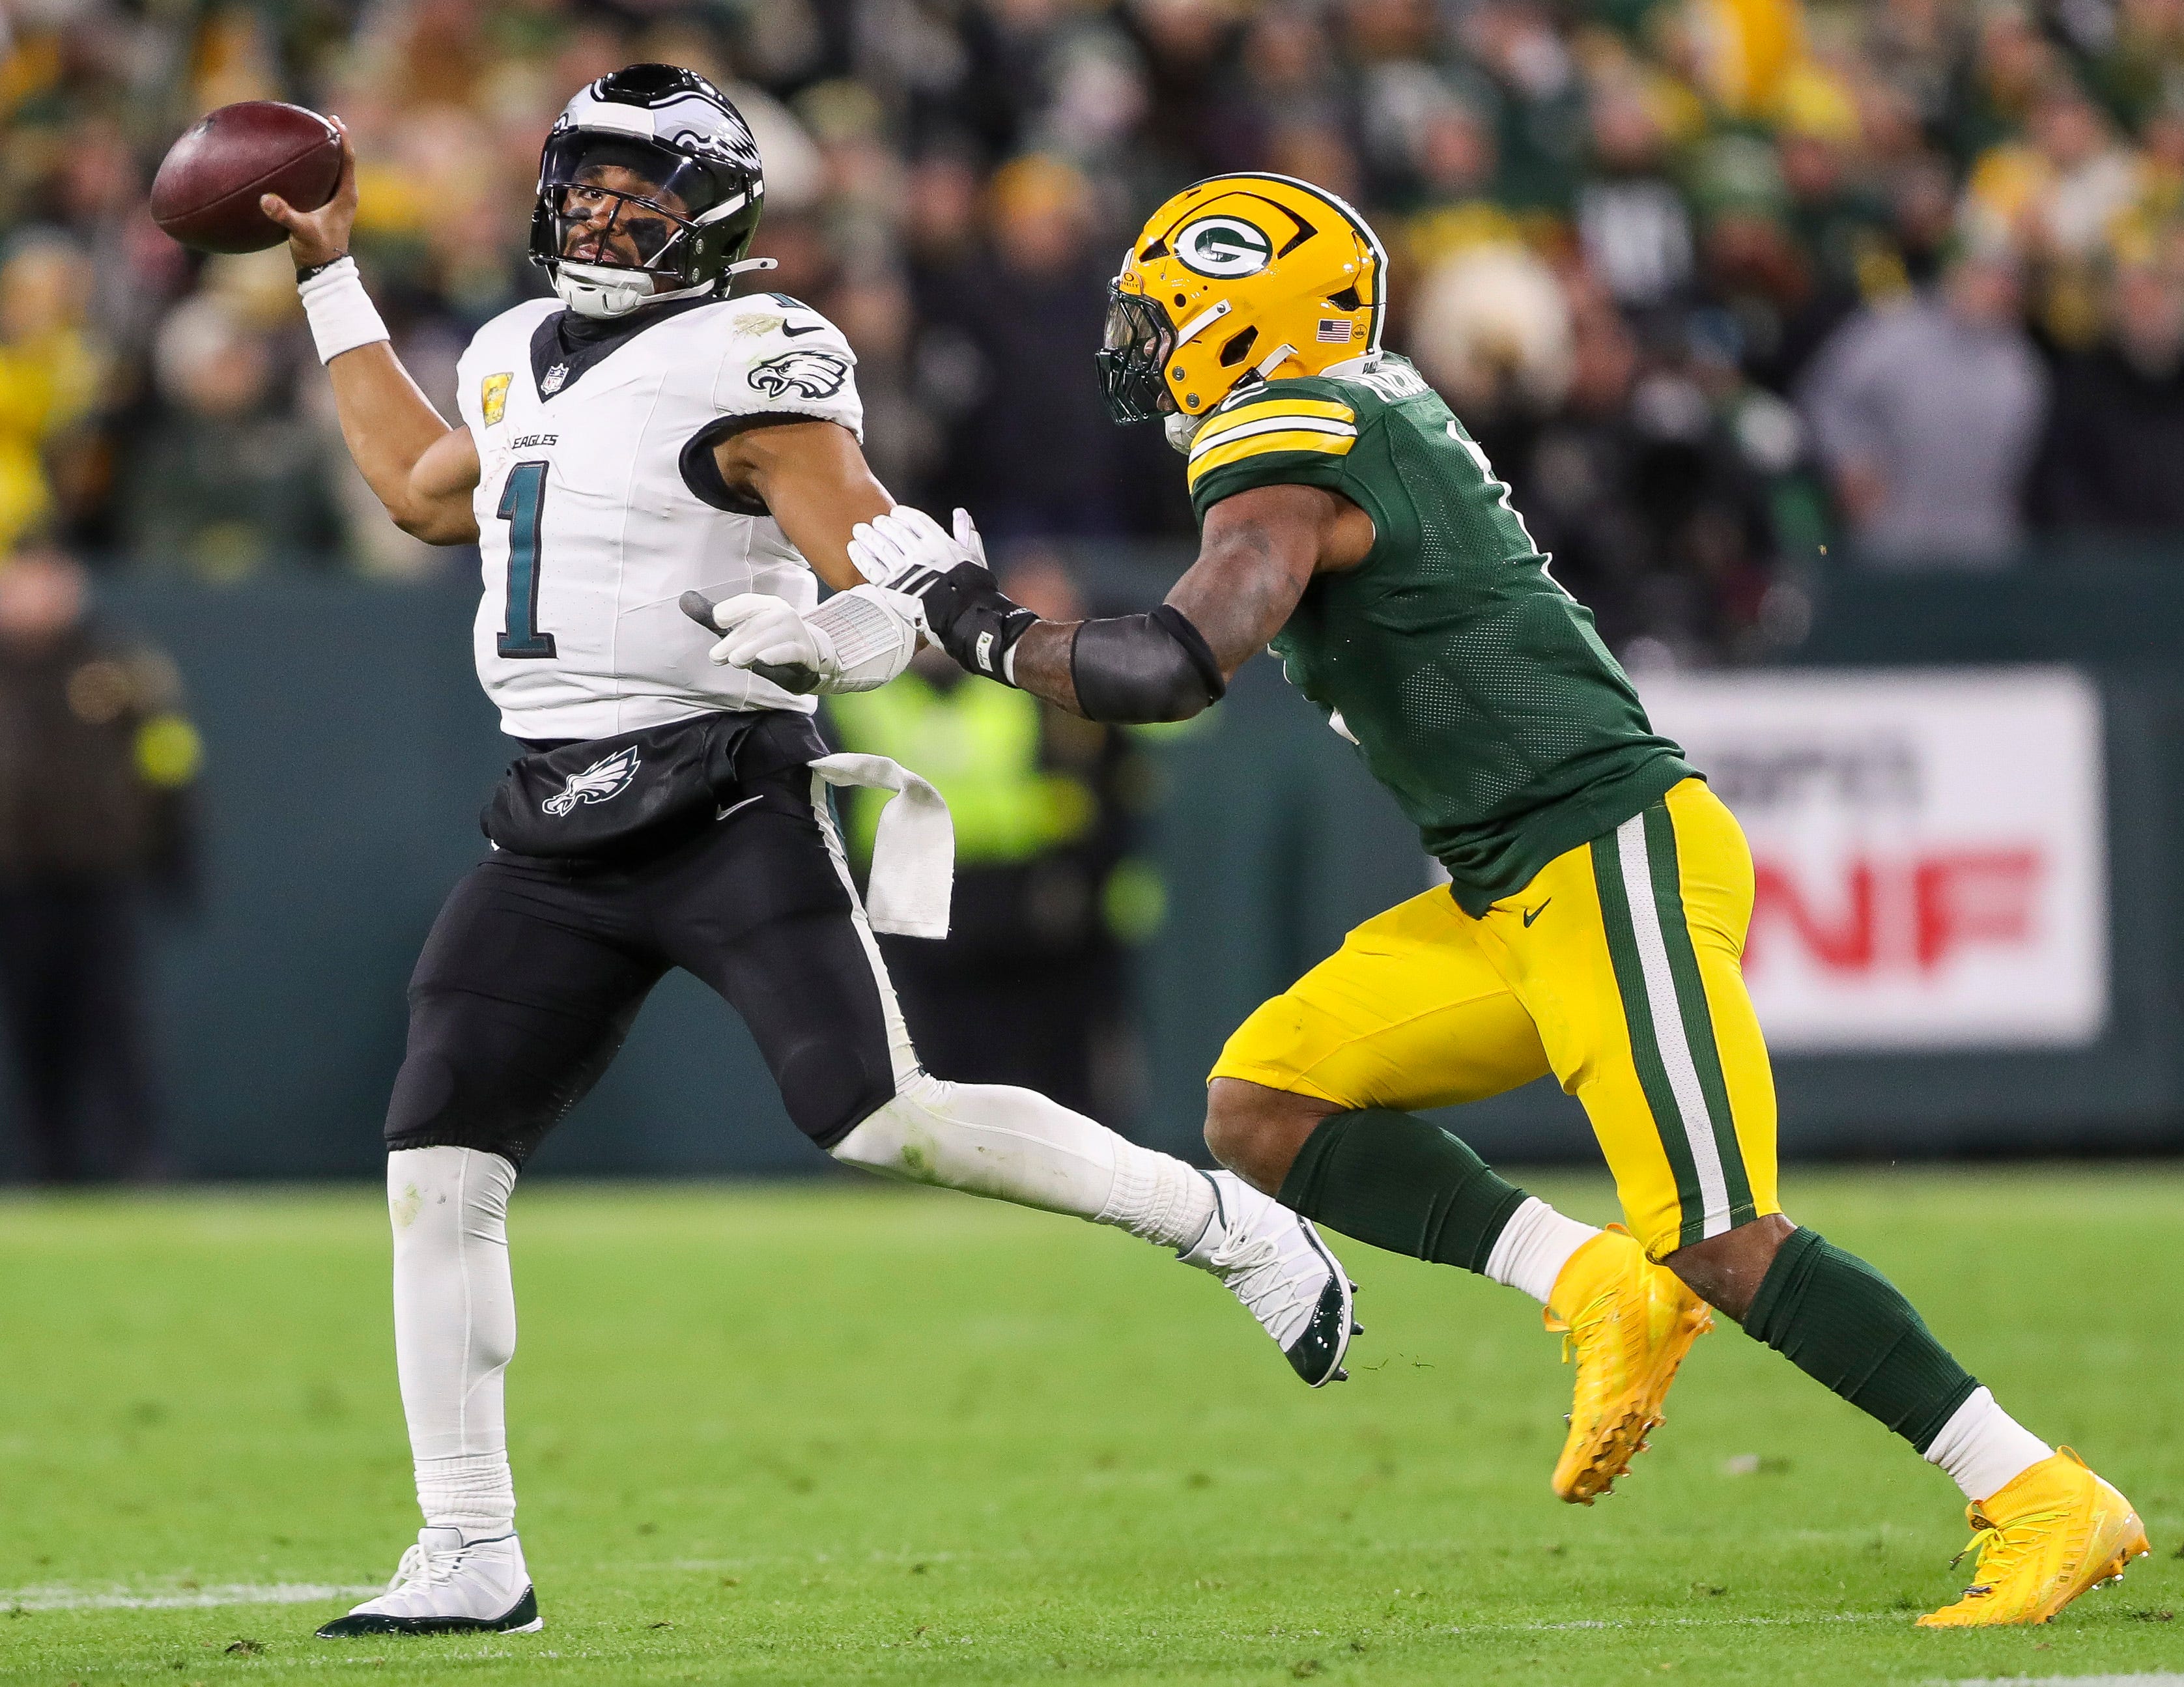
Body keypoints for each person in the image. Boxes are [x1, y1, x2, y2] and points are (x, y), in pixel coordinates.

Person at [787, 174, 2148, 1628]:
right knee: (1263, 1104)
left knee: (1722, 1234)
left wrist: (969, 615)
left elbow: (1172, 666)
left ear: (1241, 314)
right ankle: (1587, 1284)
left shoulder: (1288, 426)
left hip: (1600, 849)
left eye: (1162, 312)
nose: (1139, 343)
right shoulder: (1349, 406)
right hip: (1510, 881)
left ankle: (2038, 1488)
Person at [265, 68, 1356, 1641]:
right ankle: (468, 1548)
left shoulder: (756, 356)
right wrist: (329, 276)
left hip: (717, 795)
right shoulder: (509, 351)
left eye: (639, 185)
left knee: (879, 1119)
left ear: (715, 213)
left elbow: (887, 574)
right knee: (437, 1166)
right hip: (554, 816)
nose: (600, 208)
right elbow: (418, 488)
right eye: (585, 178)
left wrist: (826, 636)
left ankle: (1224, 1224)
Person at [0, 539, 197, 1181]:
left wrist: (174, 853)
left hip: (100, 876)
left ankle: (140, 1163)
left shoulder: (120, 664)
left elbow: (168, 757)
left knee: (116, 1029)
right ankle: (47, 1167)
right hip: (17, 882)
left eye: (45, 579)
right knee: (34, 1030)